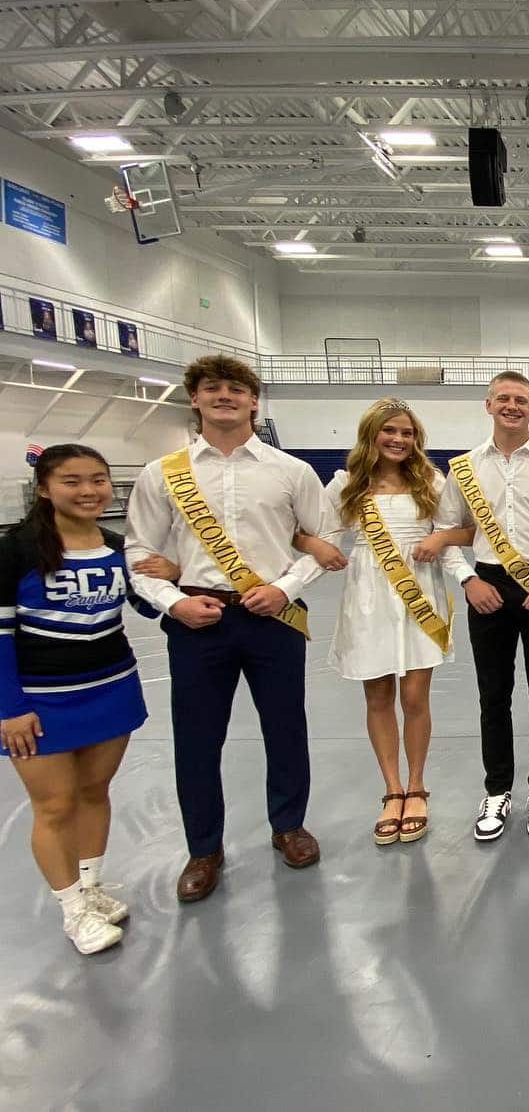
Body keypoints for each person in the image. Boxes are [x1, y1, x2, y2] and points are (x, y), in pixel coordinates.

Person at [125, 354, 341, 903]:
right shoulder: (162, 473)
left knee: (285, 728)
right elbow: (140, 553)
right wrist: (174, 604)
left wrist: (284, 589)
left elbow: (322, 542)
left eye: (237, 389)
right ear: (194, 398)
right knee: (197, 739)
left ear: (253, 401)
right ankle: (204, 848)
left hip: (274, 618)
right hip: (198, 621)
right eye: (212, 388)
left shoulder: (290, 471)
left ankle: (288, 826)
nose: (225, 395)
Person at [424, 370, 529, 841]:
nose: (512, 406)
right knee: (492, 696)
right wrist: (468, 580)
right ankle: (497, 789)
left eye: (522, 400)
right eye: (504, 398)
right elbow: (447, 532)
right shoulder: (463, 468)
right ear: (488, 404)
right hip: (487, 587)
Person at [1, 446, 155, 954]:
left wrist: (164, 575)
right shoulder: (15, 551)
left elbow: (145, 608)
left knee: (94, 792)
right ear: (44, 488)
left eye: (97, 480)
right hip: (41, 702)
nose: (88, 491)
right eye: (72, 481)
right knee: (54, 806)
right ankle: (72, 909)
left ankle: (92, 888)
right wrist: (10, 707)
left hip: (111, 687)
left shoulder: (116, 545)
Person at [313, 398, 467, 845]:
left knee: (415, 696)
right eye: (390, 431)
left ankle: (416, 786)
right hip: (367, 596)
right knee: (377, 695)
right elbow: (318, 532)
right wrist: (321, 550)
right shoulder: (345, 484)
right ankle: (391, 789)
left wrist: (439, 537)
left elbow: (467, 530)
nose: (399, 440)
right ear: (371, 435)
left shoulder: (431, 482)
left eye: (407, 432)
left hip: (419, 594)